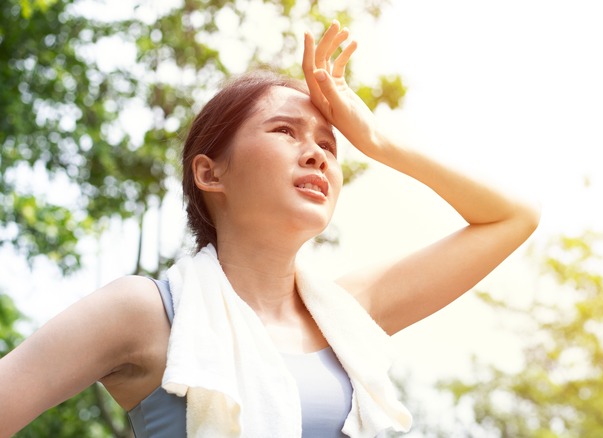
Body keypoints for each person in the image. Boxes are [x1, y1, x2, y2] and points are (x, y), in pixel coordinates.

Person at [0, 21, 540, 437]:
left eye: (329, 145)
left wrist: (377, 141)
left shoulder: (349, 312)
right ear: (211, 173)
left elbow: (512, 218)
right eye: (285, 131)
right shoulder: (146, 312)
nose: (317, 154)